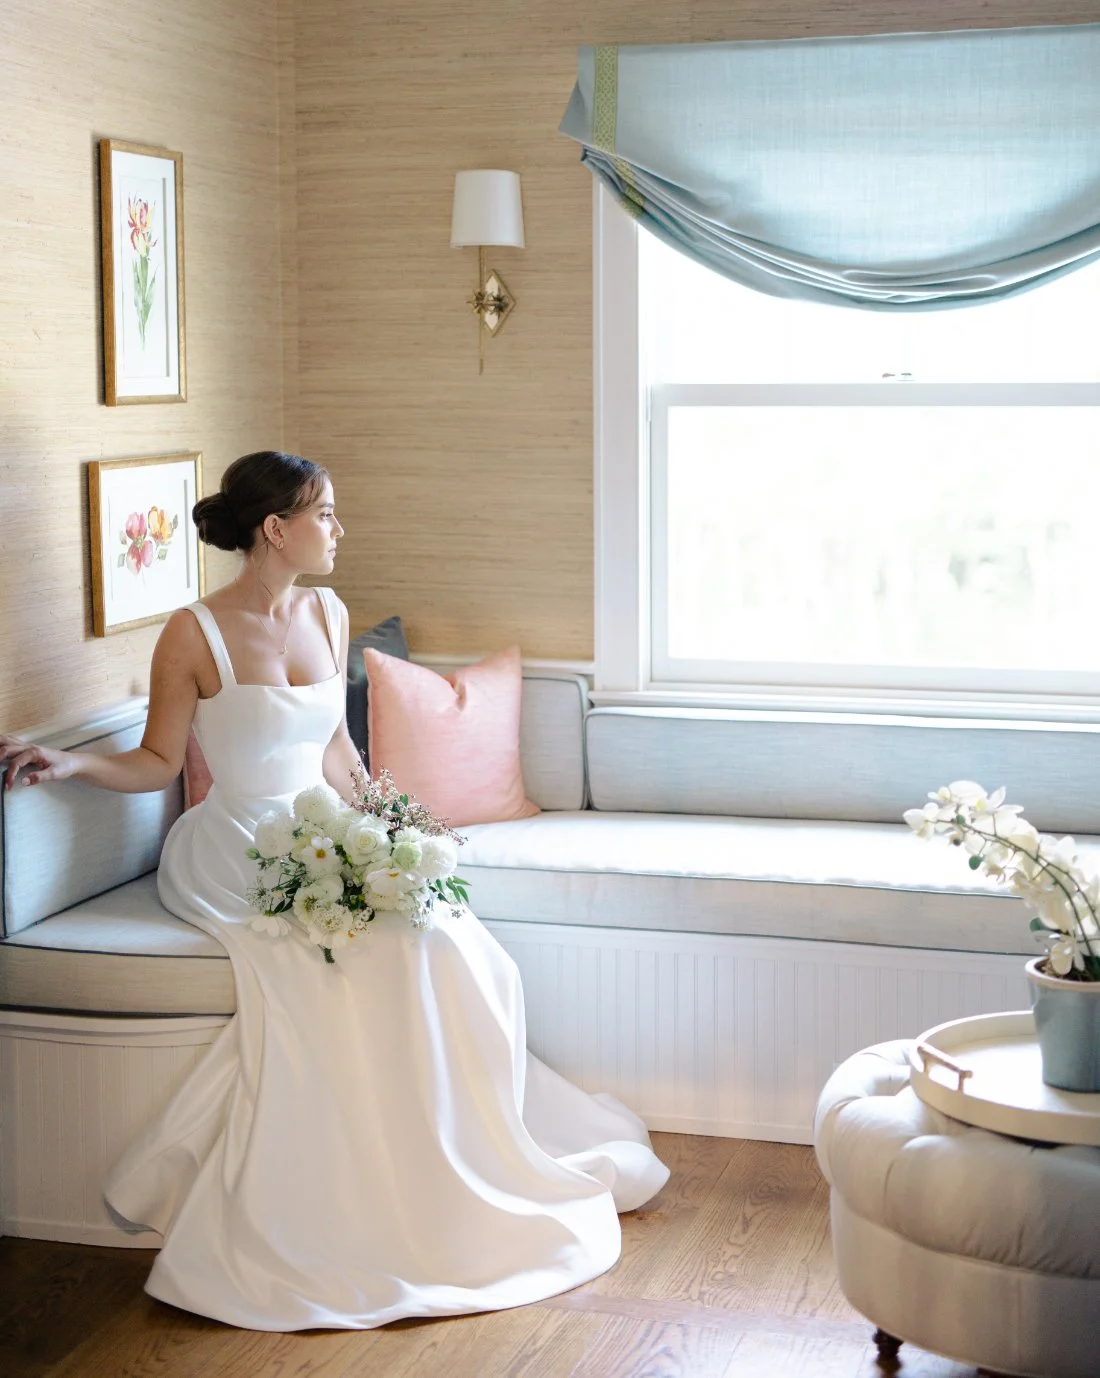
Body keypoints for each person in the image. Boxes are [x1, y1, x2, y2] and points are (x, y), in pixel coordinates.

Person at [0, 451, 668, 1331]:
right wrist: (71, 763)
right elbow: (159, 760)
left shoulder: (329, 610)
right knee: (340, 960)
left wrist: (395, 829)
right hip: (236, 844)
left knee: (443, 934)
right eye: (324, 514)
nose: (339, 529)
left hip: (324, 826)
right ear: (276, 529)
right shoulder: (192, 633)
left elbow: (337, 753)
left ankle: (447, 1151)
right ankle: (357, 1193)